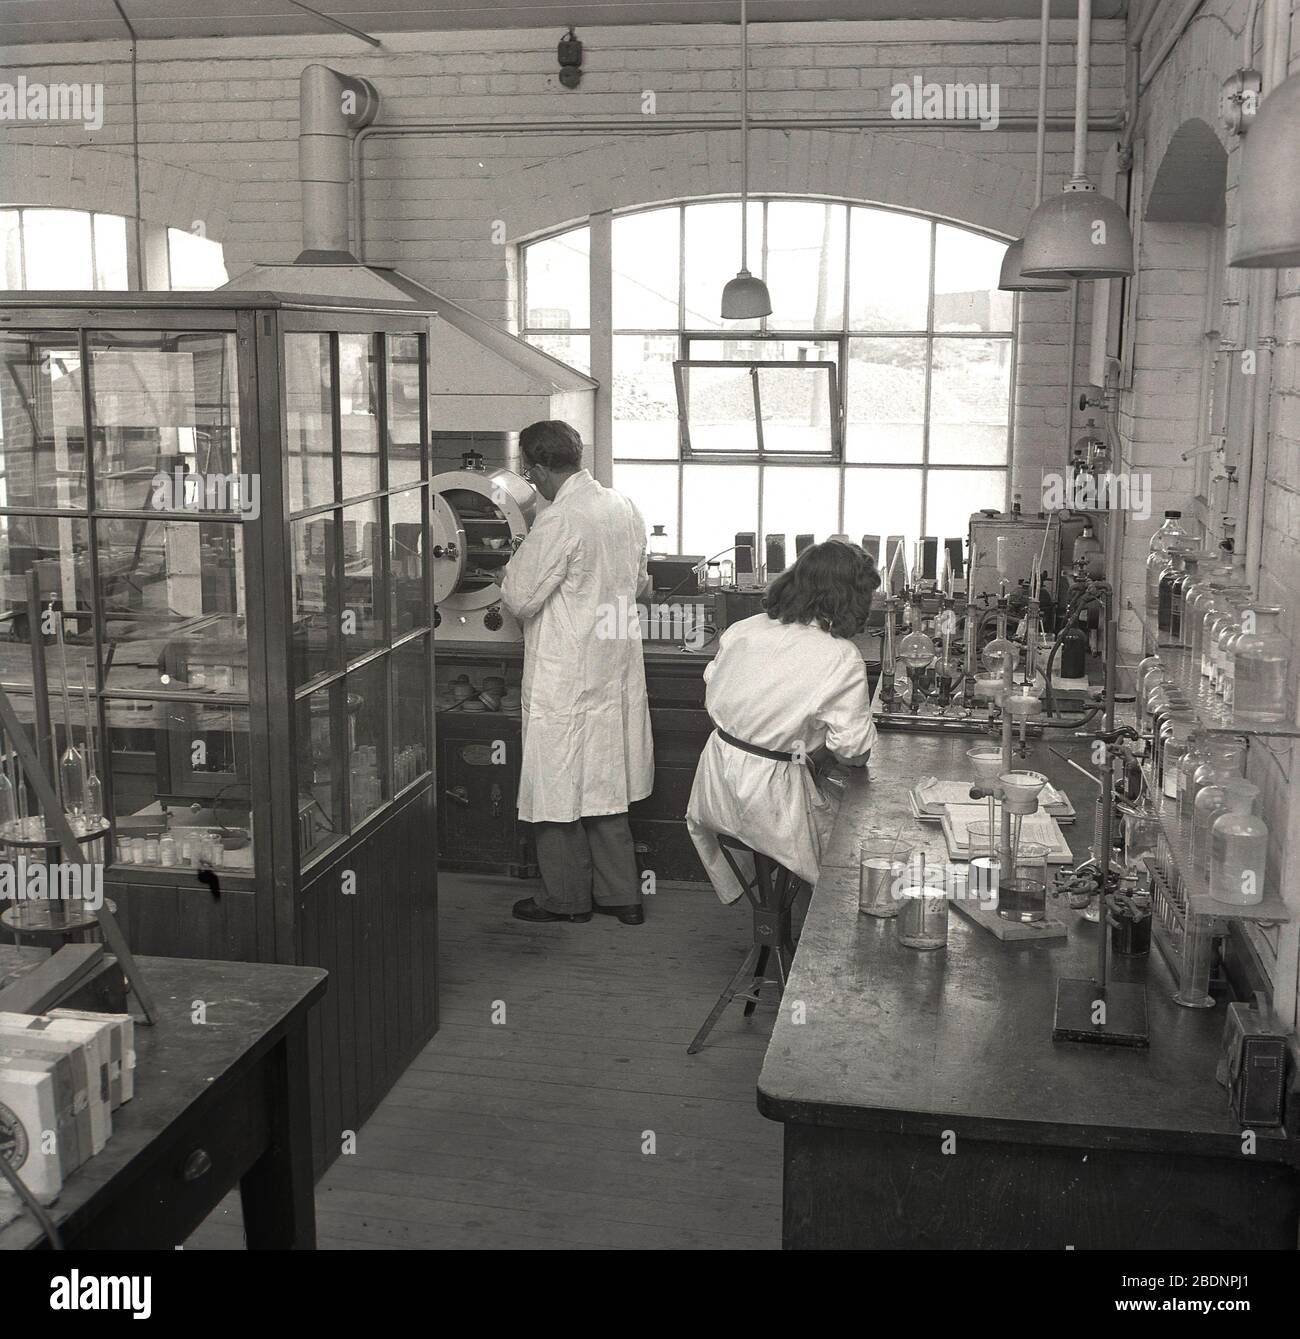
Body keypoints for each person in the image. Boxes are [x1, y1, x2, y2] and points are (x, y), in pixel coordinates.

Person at [500, 420, 654, 925]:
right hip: (612, 665)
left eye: (530, 471)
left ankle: (564, 900)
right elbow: (640, 583)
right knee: (605, 780)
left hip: (566, 673)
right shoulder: (621, 506)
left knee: (557, 783)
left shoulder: (560, 519)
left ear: (539, 467)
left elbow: (520, 597)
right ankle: (623, 896)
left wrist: (511, 566)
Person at [686, 541, 879, 902]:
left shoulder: (743, 629)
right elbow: (853, 751)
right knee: (865, 831)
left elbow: (716, 685)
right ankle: (824, 937)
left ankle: (779, 919)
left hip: (715, 788)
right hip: (771, 806)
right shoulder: (840, 656)